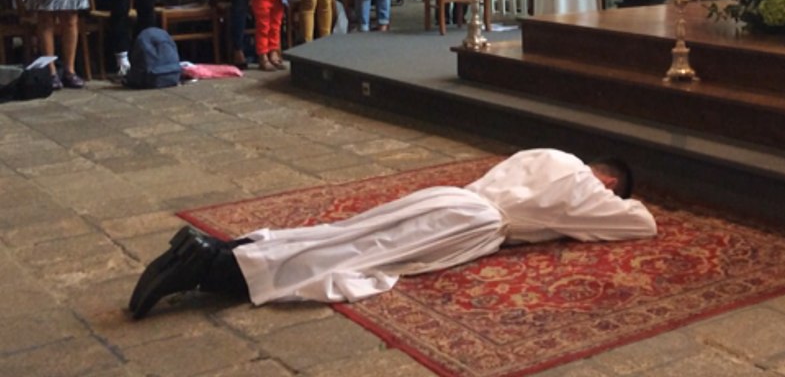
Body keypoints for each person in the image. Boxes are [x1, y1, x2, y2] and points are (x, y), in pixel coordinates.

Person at [128, 149, 655, 317]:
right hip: (473, 223)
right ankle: (216, 268)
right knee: (351, 260)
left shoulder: (550, 153)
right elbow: (641, 224)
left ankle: (222, 250)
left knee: (342, 234)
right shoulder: (587, 189)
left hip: (449, 197)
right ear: (608, 179)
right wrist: (622, 199)